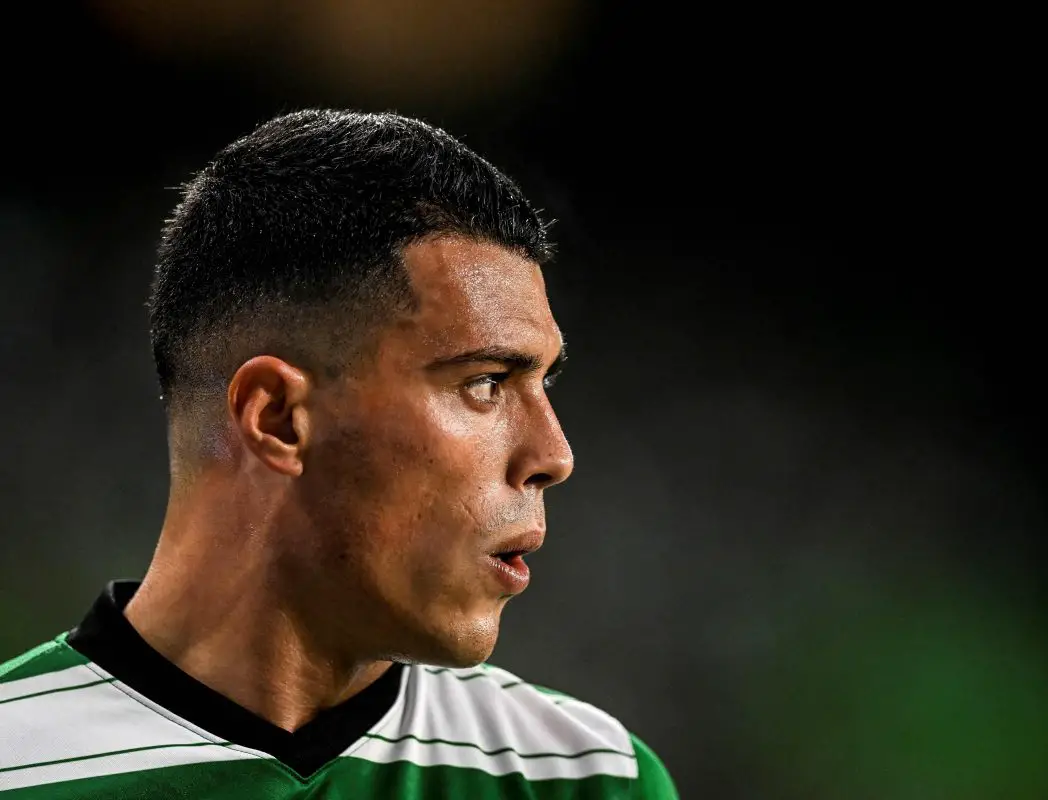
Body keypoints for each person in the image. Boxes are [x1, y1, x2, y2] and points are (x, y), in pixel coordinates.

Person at [0, 109, 678, 798]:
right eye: (485, 382)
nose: (553, 454)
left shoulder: (589, 778)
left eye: (544, 380)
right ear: (279, 417)